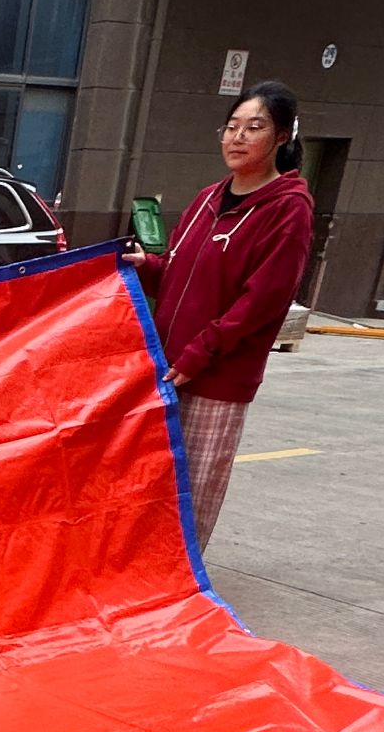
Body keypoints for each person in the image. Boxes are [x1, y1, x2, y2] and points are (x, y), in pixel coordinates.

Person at [123, 81, 315, 549]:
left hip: (216, 377)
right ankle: (140, 579)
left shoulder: (288, 210)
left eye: (254, 127)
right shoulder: (208, 198)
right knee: (152, 485)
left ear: (283, 137)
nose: (238, 137)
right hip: (167, 364)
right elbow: (180, 271)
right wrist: (147, 267)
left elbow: (261, 302)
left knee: (192, 492)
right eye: (231, 127)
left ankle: (180, 585)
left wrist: (199, 353)